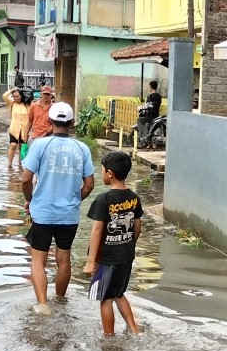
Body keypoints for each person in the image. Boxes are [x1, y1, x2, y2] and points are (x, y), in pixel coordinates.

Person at [21, 102, 94, 313]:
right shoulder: (82, 148)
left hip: (43, 213)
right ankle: (60, 301)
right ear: (71, 122)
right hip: (68, 215)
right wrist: (74, 199)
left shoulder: (40, 145)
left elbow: (26, 180)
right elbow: (89, 184)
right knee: (64, 258)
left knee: (38, 260)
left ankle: (43, 304)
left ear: (50, 121)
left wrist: (30, 199)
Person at [84, 151, 143, 336]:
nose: (101, 174)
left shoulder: (104, 199)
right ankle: (135, 330)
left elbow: (97, 230)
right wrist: (128, 245)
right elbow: (138, 227)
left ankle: (109, 337)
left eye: (101, 170)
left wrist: (91, 261)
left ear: (110, 173)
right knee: (119, 294)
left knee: (106, 299)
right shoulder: (134, 197)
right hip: (126, 255)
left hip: (107, 258)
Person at [3, 86, 31, 171]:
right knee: (13, 145)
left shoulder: (27, 105)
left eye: (17, 96)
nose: (15, 98)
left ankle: (20, 164)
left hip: (24, 130)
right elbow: (4, 96)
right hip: (14, 129)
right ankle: (9, 164)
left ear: (21, 96)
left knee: (22, 148)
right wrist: (13, 90)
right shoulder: (11, 104)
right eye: (14, 97)